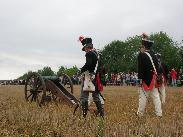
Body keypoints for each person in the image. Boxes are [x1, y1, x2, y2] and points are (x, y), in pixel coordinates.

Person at [137, 33, 162, 117]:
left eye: (141, 45)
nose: (140, 47)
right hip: (154, 77)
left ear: (144, 47)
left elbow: (140, 69)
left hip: (146, 79)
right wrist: (145, 38)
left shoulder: (142, 55)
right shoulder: (154, 55)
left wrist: (140, 80)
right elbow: (157, 67)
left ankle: (140, 114)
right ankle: (159, 114)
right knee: (156, 96)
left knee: (143, 97)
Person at [78, 35, 104, 118]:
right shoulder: (97, 53)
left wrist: (81, 70)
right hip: (95, 76)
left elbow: (88, 64)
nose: (84, 51)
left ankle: (84, 115)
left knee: (84, 96)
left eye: (84, 49)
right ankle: (101, 114)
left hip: (89, 76)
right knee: (96, 96)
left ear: (86, 47)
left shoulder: (89, 53)